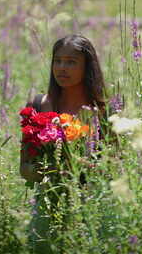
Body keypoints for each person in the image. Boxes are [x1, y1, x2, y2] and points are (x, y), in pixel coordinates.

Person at [19, 34, 107, 253]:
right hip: (47, 205)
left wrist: (78, 166)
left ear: (87, 67)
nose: (62, 68)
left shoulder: (102, 110)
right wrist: (47, 171)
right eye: (57, 61)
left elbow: (113, 167)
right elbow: (24, 167)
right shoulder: (39, 104)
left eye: (71, 62)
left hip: (90, 205)